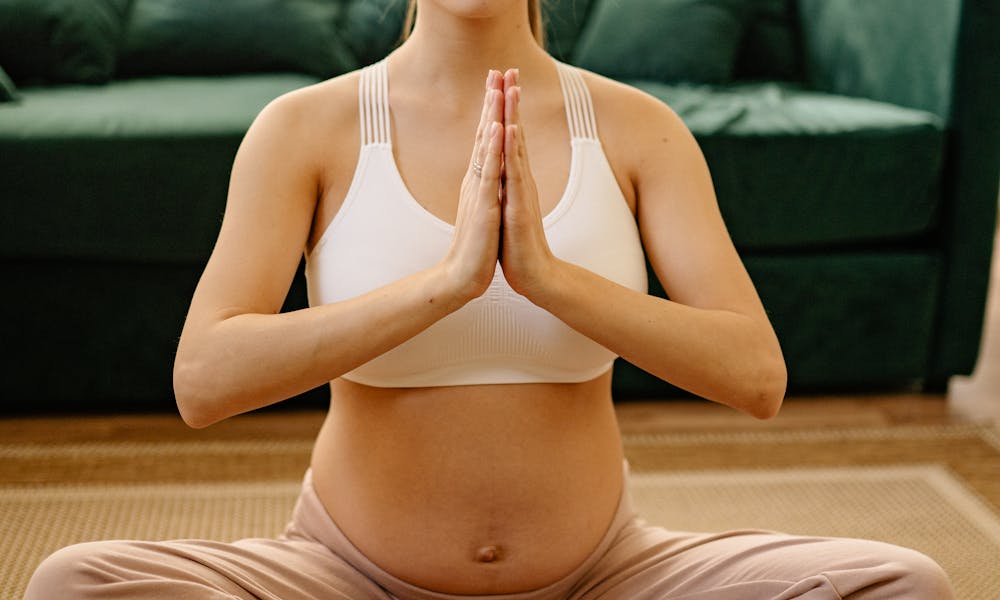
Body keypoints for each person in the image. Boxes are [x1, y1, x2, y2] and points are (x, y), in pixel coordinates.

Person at [25, 0, 954, 598]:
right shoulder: (304, 128)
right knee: (77, 583)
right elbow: (203, 379)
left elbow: (755, 374)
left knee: (902, 584)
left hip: (608, 574)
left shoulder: (638, 129)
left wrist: (552, 280)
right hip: (340, 577)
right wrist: (446, 285)